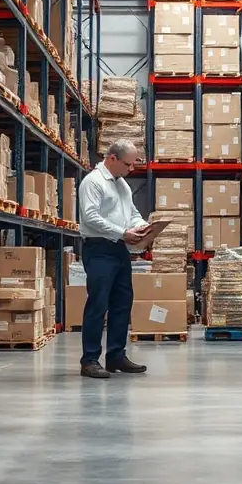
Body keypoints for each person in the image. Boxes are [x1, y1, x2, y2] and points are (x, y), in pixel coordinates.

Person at [78, 139, 150, 378]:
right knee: (98, 304)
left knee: (122, 303)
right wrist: (122, 232)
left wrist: (143, 227)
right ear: (112, 159)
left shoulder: (122, 185)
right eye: (128, 164)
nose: (131, 170)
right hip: (99, 249)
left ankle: (116, 356)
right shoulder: (94, 182)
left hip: (120, 249)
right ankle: (89, 360)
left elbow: (131, 213)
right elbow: (90, 218)